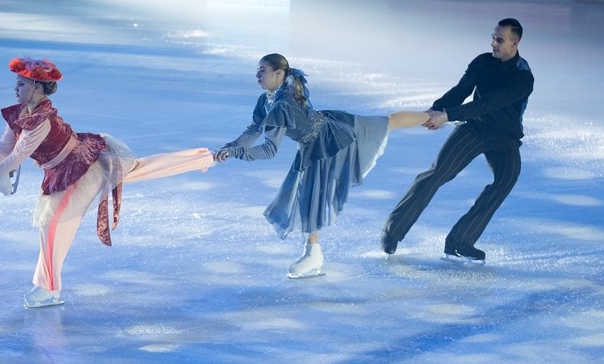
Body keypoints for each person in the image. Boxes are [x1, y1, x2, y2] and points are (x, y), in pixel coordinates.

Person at [0, 57, 214, 309]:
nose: (15, 88)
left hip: (79, 169)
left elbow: (19, 154)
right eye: (17, 83)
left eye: (21, 84)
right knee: (135, 171)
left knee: (53, 225)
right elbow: (3, 147)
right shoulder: (21, 113)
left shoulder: (41, 119)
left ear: (37, 87)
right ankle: (201, 158)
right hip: (65, 168)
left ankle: (47, 289)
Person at [214, 54, 430, 279]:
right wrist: (228, 148)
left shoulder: (282, 104)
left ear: (279, 74)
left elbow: (269, 150)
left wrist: (235, 152)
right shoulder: (266, 99)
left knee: (311, 197)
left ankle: (437, 116)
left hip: (328, 143)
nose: (257, 74)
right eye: (257, 70)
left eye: (263, 70)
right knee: (387, 123)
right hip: (322, 131)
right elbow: (253, 131)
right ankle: (436, 116)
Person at [382, 19, 533, 262]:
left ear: (515, 43)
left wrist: (448, 116)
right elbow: (460, 90)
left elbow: (488, 104)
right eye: (493, 37)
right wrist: (436, 110)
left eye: (500, 40)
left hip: (505, 138)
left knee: (506, 179)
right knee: (438, 173)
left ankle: (460, 241)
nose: (493, 43)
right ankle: (393, 230)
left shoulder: (523, 77)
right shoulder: (482, 62)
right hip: (475, 129)